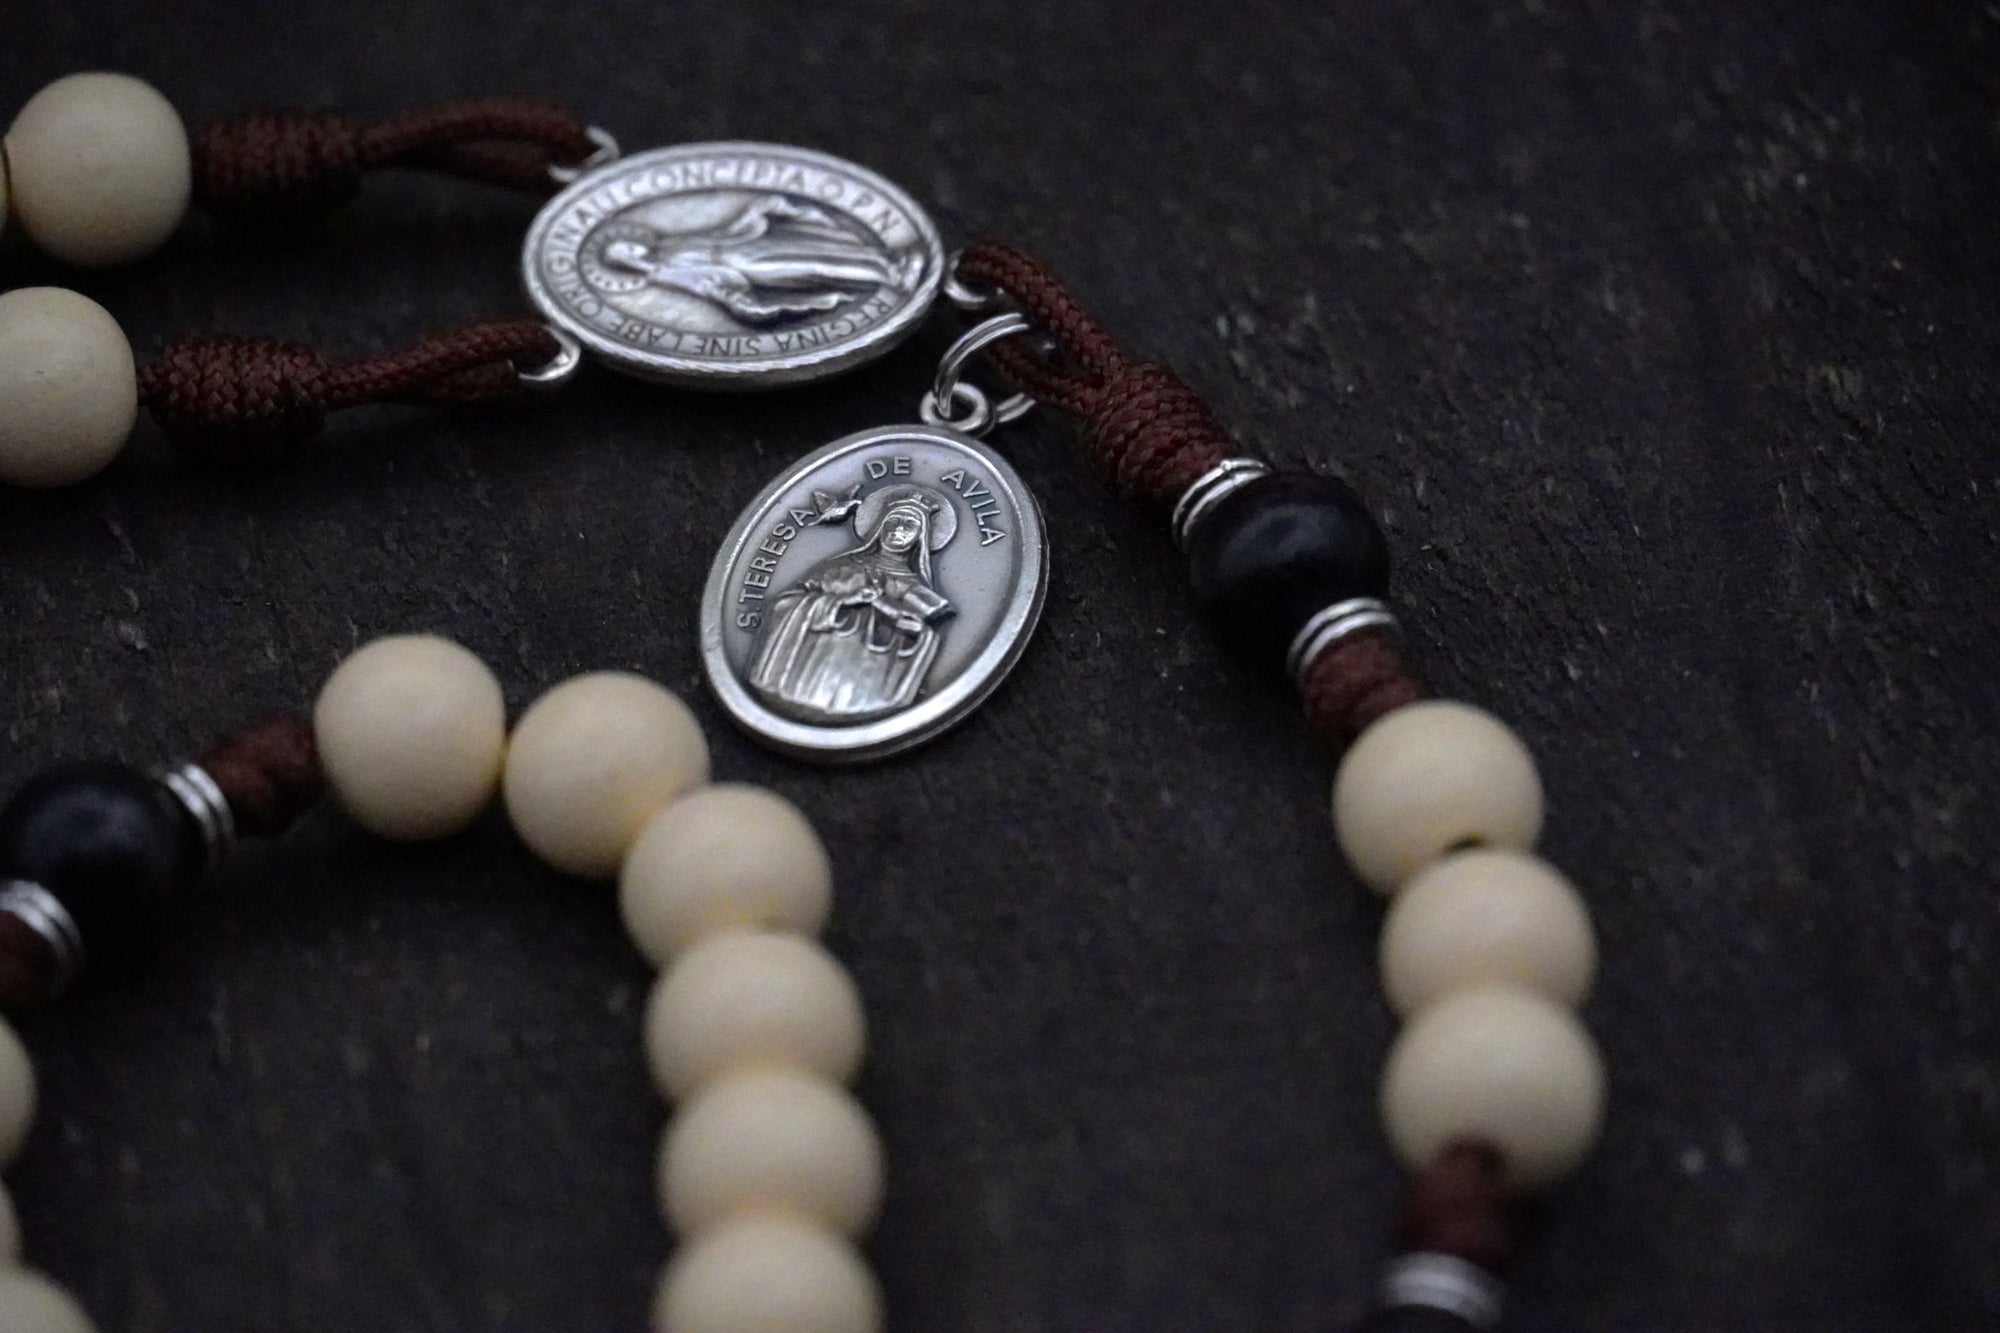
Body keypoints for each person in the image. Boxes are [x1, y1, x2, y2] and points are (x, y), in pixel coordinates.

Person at [746, 485, 957, 723]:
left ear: (920, 535)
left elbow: (925, 634)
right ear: (880, 526)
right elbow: (784, 604)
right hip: (810, 666)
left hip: (862, 686)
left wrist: (912, 630)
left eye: (909, 525)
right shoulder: (842, 566)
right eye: (893, 521)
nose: (899, 530)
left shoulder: (915, 587)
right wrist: (839, 603)